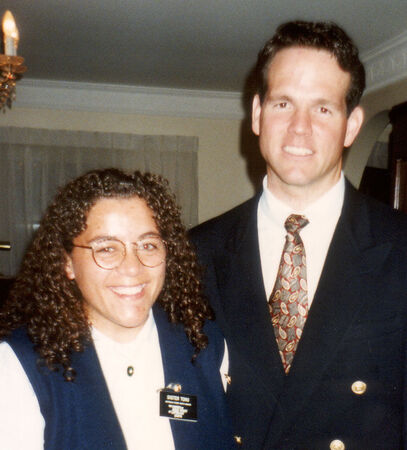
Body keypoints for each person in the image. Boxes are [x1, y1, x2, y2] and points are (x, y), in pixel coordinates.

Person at [191, 20, 407, 449]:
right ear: (257, 114)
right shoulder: (196, 252)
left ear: (352, 125)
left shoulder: (401, 247)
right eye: (283, 104)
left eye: (323, 108)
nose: (299, 128)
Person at [0, 168, 235, 449]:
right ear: (67, 263)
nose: (132, 268)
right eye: (107, 248)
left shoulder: (205, 344)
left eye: (148, 245)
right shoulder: (20, 363)